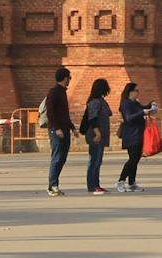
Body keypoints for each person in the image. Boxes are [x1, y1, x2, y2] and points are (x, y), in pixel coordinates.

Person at [43, 66, 75, 196]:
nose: (70, 80)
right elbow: (50, 112)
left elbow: (64, 114)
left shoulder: (63, 92)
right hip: (56, 130)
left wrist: (72, 127)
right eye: (69, 78)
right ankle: (52, 185)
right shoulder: (54, 92)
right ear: (64, 78)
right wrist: (56, 128)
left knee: (62, 158)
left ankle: (55, 184)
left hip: (65, 129)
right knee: (57, 157)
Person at [115, 83, 149, 193]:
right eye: (136, 90)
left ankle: (131, 183)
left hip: (139, 134)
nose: (138, 92)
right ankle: (121, 180)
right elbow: (129, 118)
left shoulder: (135, 103)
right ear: (130, 92)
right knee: (132, 159)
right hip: (131, 135)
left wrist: (150, 106)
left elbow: (143, 108)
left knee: (136, 159)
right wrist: (142, 112)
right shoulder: (126, 104)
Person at [80, 78, 111, 194]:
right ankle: (92, 185)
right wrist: (97, 133)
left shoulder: (100, 101)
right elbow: (92, 119)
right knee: (94, 160)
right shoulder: (95, 102)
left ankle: (96, 184)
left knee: (97, 161)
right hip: (95, 135)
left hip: (100, 135)